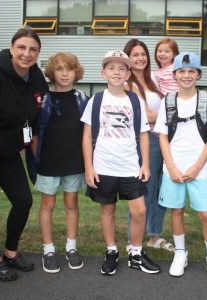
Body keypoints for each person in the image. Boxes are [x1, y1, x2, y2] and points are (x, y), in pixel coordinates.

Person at [81, 50, 161, 275]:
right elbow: (86, 137)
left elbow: (144, 133)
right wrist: (89, 167)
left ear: (128, 73)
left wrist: (145, 164)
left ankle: (136, 253)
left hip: (129, 166)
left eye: (122, 68)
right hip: (103, 166)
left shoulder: (135, 100)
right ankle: (112, 251)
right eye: (112, 68)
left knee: (139, 210)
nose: (117, 72)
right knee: (108, 210)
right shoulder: (96, 100)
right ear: (103, 72)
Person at [154, 52, 207, 284]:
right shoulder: (168, 100)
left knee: (205, 214)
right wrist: (171, 166)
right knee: (176, 211)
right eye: (181, 71)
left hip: (200, 168)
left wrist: (196, 167)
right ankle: (180, 252)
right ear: (175, 74)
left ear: (198, 74)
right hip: (173, 168)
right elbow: (163, 138)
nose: (186, 75)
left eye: (191, 71)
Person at [0, 27, 48, 282]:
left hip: (11, 151)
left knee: (23, 200)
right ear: (12, 48)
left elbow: (35, 119)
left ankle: (11, 252)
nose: (27, 54)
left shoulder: (37, 79)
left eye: (33, 49)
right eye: (22, 48)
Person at [35, 52, 88, 273]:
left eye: (69, 68)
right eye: (59, 69)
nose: (64, 73)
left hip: (74, 163)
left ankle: (71, 247)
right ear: (51, 73)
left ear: (76, 72)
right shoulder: (43, 99)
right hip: (49, 162)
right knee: (48, 205)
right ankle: (48, 250)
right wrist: (37, 159)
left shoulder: (82, 98)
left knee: (71, 204)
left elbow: (88, 133)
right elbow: (37, 134)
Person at [123, 39, 173, 252]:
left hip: (163, 139)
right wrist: (168, 116)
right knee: (143, 189)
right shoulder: (128, 83)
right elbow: (144, 116)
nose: (140, 58)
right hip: (145, 140)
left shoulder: (153, 79)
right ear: (128, 58)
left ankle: (154, 235)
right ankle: (132, 238)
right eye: (135, 54)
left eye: (143, 53)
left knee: (161, 188)